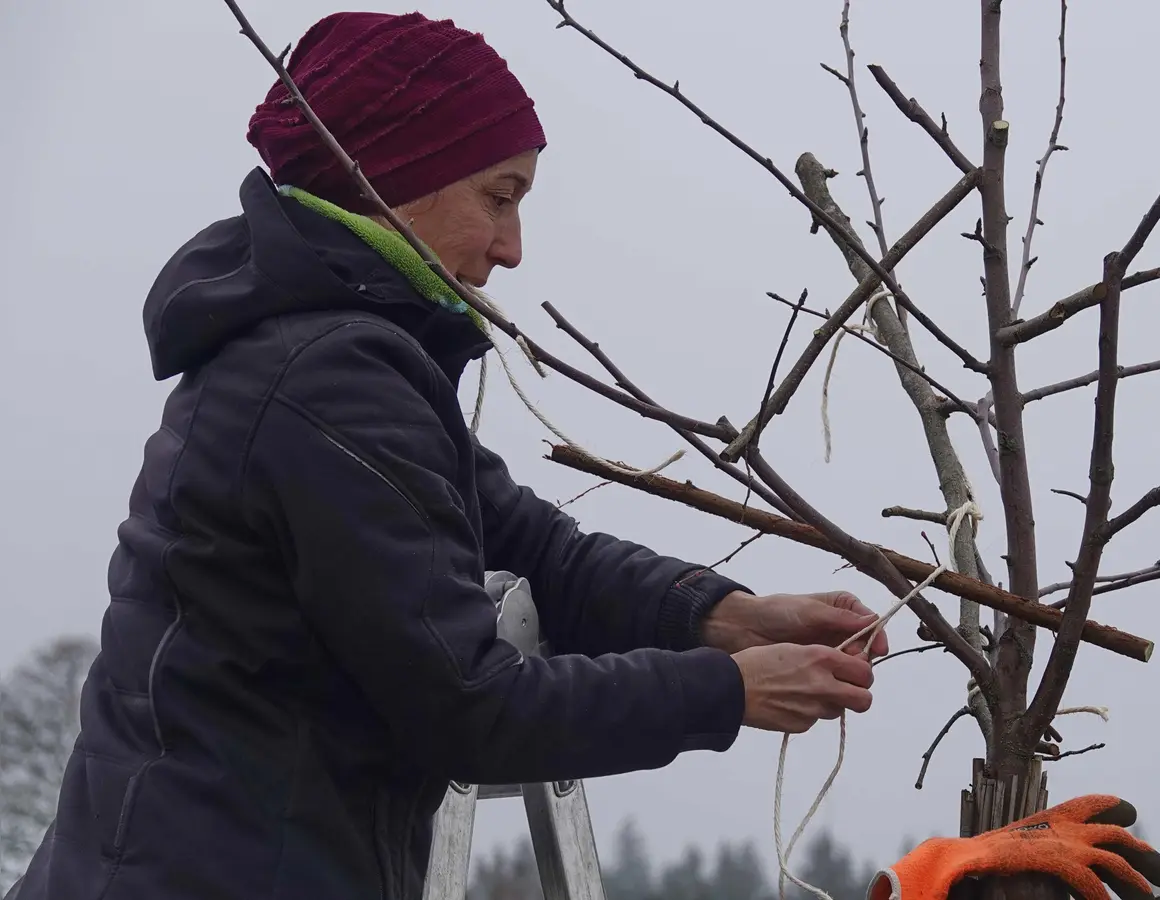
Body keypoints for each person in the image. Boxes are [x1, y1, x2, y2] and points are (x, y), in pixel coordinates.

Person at [5, 11, 888, 900]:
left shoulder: (335, 360)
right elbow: (469, 703)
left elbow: (530, 545)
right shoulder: (326, 382)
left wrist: (726, 614)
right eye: (498, 198)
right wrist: (725, 692)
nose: (511, 249)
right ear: (395, 175)